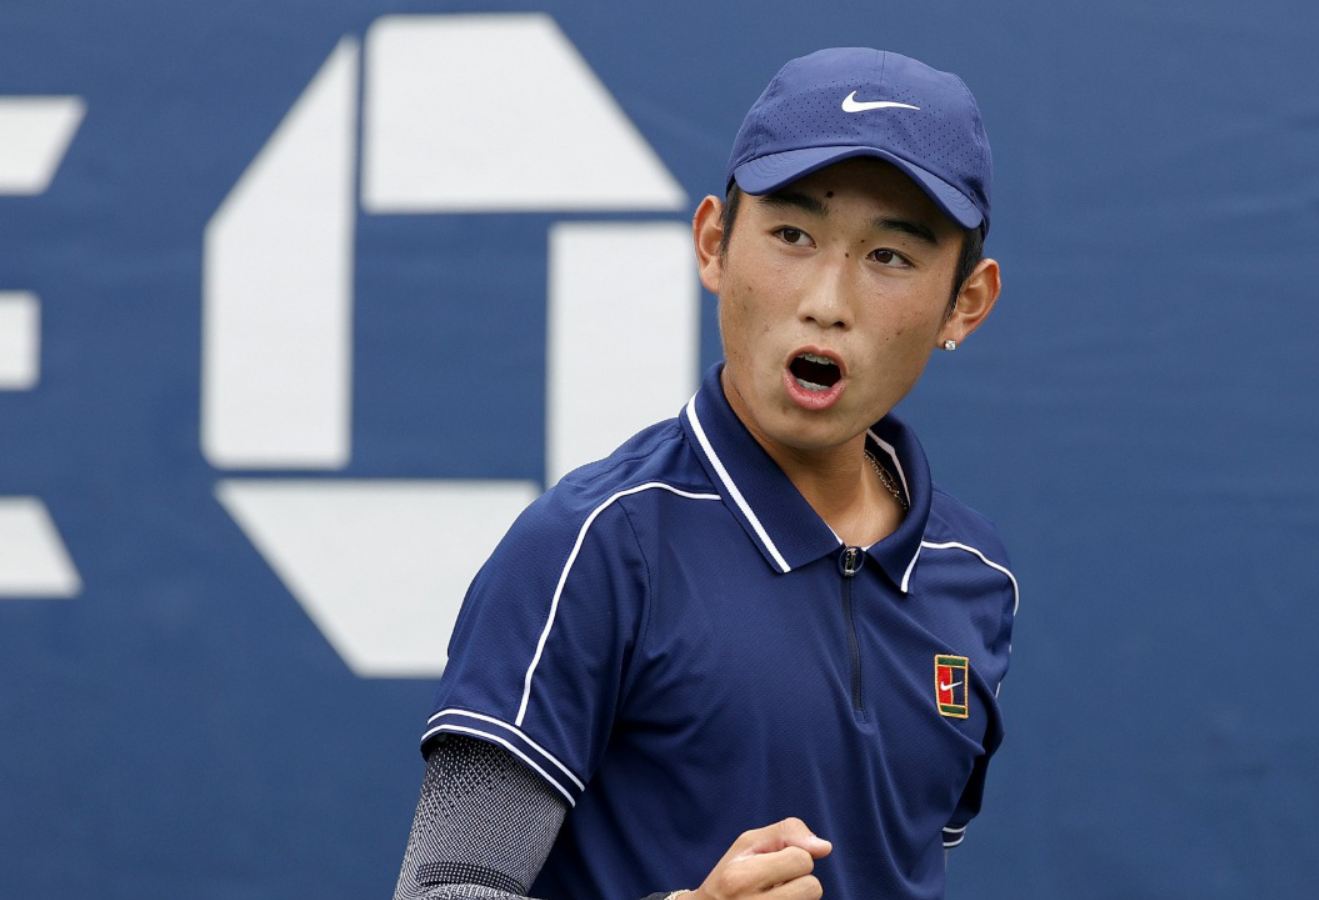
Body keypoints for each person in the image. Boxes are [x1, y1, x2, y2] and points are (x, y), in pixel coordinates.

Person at [393, 46, 1019, 900]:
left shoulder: (974, 577)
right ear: (715, 244)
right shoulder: (591, 547)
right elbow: (444, 889)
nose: (828, 298)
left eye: (890, 258)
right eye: (793, 236)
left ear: (965, 305)